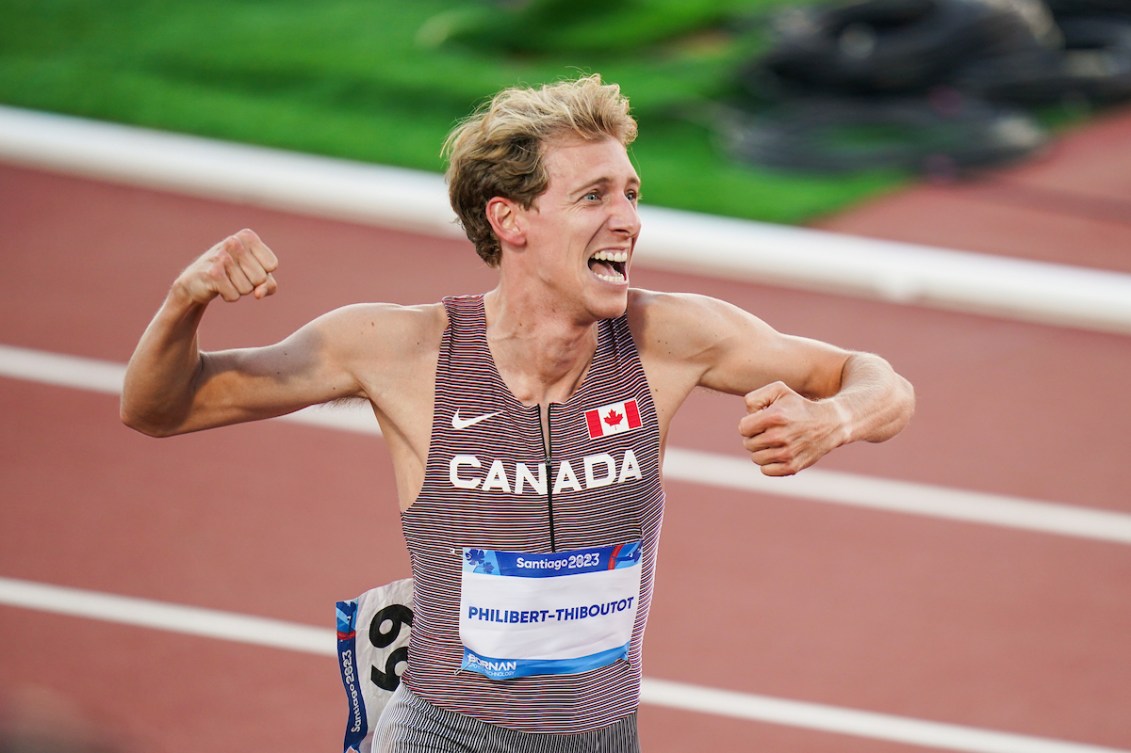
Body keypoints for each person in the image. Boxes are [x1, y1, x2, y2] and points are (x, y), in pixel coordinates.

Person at [121, 73, 914, 752]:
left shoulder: (665, 337)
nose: (629, 219)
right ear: (510, 220)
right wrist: (185, 300)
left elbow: (875, 379)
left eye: (631, 193)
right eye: (594, 195)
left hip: (601, 734)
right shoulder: (399, 349)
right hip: (446, 729)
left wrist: (833, 419)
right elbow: (160, 408)